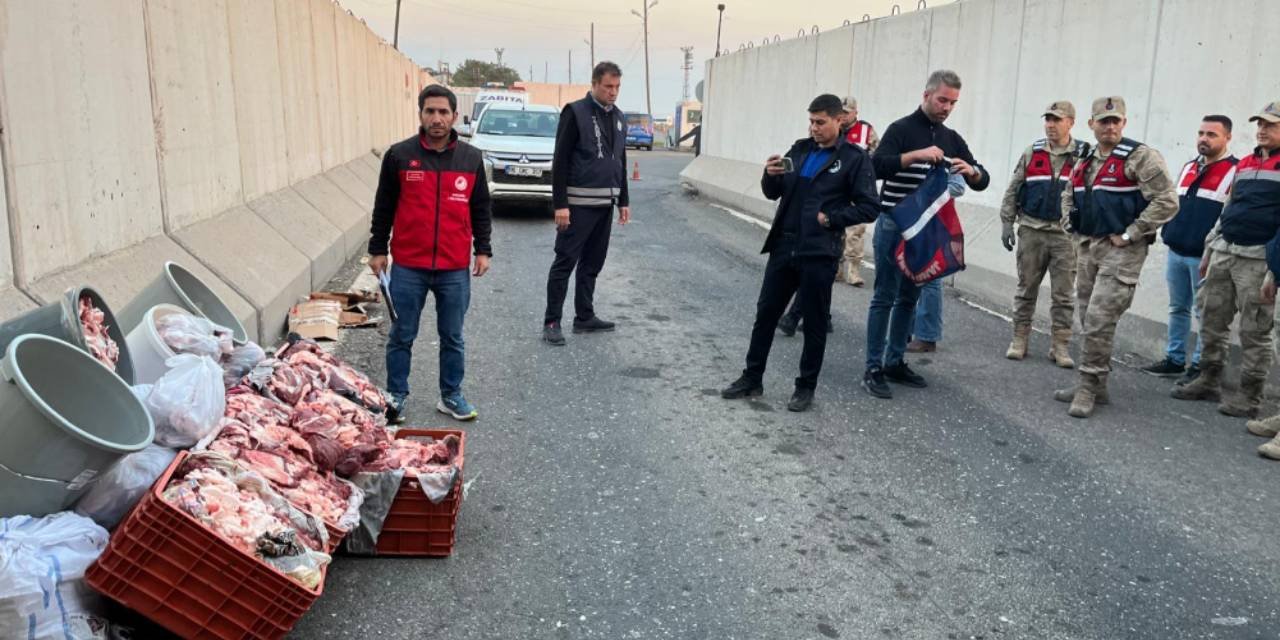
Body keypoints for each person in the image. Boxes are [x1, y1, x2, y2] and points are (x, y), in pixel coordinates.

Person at [720, 94, 879, 412]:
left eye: (821, 122)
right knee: (765, 315)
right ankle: (752, 378)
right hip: (784, 245)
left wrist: (832, 219)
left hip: (819, 252)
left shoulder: (853, 159)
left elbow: (870, 206)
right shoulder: (800, 149)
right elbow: (773, 192)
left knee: (816, 324)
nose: (814, 128)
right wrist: (770, 174)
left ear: (839, 120)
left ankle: (805, 387)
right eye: (811, 121)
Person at [368, 84, 492, 423]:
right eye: (430, 111)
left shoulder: (470, 158)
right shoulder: (399, 155)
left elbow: (480, 207)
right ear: (421, 114)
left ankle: (451, 395)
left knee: (452, 336)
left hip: (453, 267)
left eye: (443, 112)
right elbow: (384, 206)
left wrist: (483, 249)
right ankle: (395, 396)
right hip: (409, 266)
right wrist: (377, 248)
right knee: (401, 334)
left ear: (454, 116)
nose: (436, 118)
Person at [862, 70, 989, 400]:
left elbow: (981, 177)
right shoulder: (901, 129)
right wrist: (914, 156)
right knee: (884, 296)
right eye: (942, 100)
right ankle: (873, 367)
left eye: (953, 102)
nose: (947, 107)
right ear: (926, 95)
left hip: (926, 230)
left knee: (909, 297)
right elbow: (875, 167)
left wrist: (972, 172)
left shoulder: (952, 138)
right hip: (894, 224)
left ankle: (894, 361)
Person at [1053, 96, 1178, 418]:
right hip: (1089, 247)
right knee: (1087, 317)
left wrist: (1131, 233)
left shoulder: (1141, 157)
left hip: (1121, 251)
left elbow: (1166, 201)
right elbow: (1069, 195)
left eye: (1116, 121)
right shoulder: (1086, 158)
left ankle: (1086, 386)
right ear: (1091, 124)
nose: (1110, 126)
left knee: (1098, 320)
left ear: (1124, 123)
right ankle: (1098, 384)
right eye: (1104, 121)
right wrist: (1071, 226)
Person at [1173, 106, 1279, 420]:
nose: (1262, 130)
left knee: (1255, 330)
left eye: (1270, 126)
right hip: (1224, 251)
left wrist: (1275, 269)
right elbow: (1228, 209)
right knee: (1211, 318)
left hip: (1257, 258)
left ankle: (1249, 397)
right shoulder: (1246, 163)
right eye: (1260, 124)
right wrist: (1210, 249)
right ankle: (1208, 379)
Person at [1142, 117, 1237, 383]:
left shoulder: (1234, 171)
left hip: (1205, 257)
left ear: (1227, 138)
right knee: (1177, 308)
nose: (1204, 139)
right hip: (1176, 251)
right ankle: (1174, 360)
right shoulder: (1189, 167)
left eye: (1212, 134)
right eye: (1201, 133)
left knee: (1204, 314)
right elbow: (1171, 205)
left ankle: (1199, 367)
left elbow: (1228, 217)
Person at [542, 61, 631, 346]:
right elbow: (561, 159)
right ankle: (552, 321)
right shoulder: (575, 112)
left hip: (605, 203)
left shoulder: (619, 117)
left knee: (593, 263)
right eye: (608, 86)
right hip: (576, 206)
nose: (613, 92)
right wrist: (560, 204)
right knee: (565, 262)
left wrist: (624, 200)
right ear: (594, 84)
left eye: (617, 87)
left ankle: (584, 317)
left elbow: (621, 160)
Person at [777, 96, 877, 336]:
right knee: (822, 267)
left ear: (851, 114)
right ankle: (813, 315)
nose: (815, 127)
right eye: (813, 122)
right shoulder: (819, 132)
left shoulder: (866, 132)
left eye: (850, 111)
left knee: (838, 255)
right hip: (826, 204)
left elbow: (876, 160)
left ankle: (813, 311)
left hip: (850, 200)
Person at [999, 101, 1088, 367]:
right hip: (1032, 231)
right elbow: (1014, 187)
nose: (1050, 125)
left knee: (1063, 295)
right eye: (1048, 119)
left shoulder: (1084, 155)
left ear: (1070, 122)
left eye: (1056, 120)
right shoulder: (1033, 152)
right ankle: (1019, 339)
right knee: (1026, 288)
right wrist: (1006, 221)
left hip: (1065, 237)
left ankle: (1060, 346)